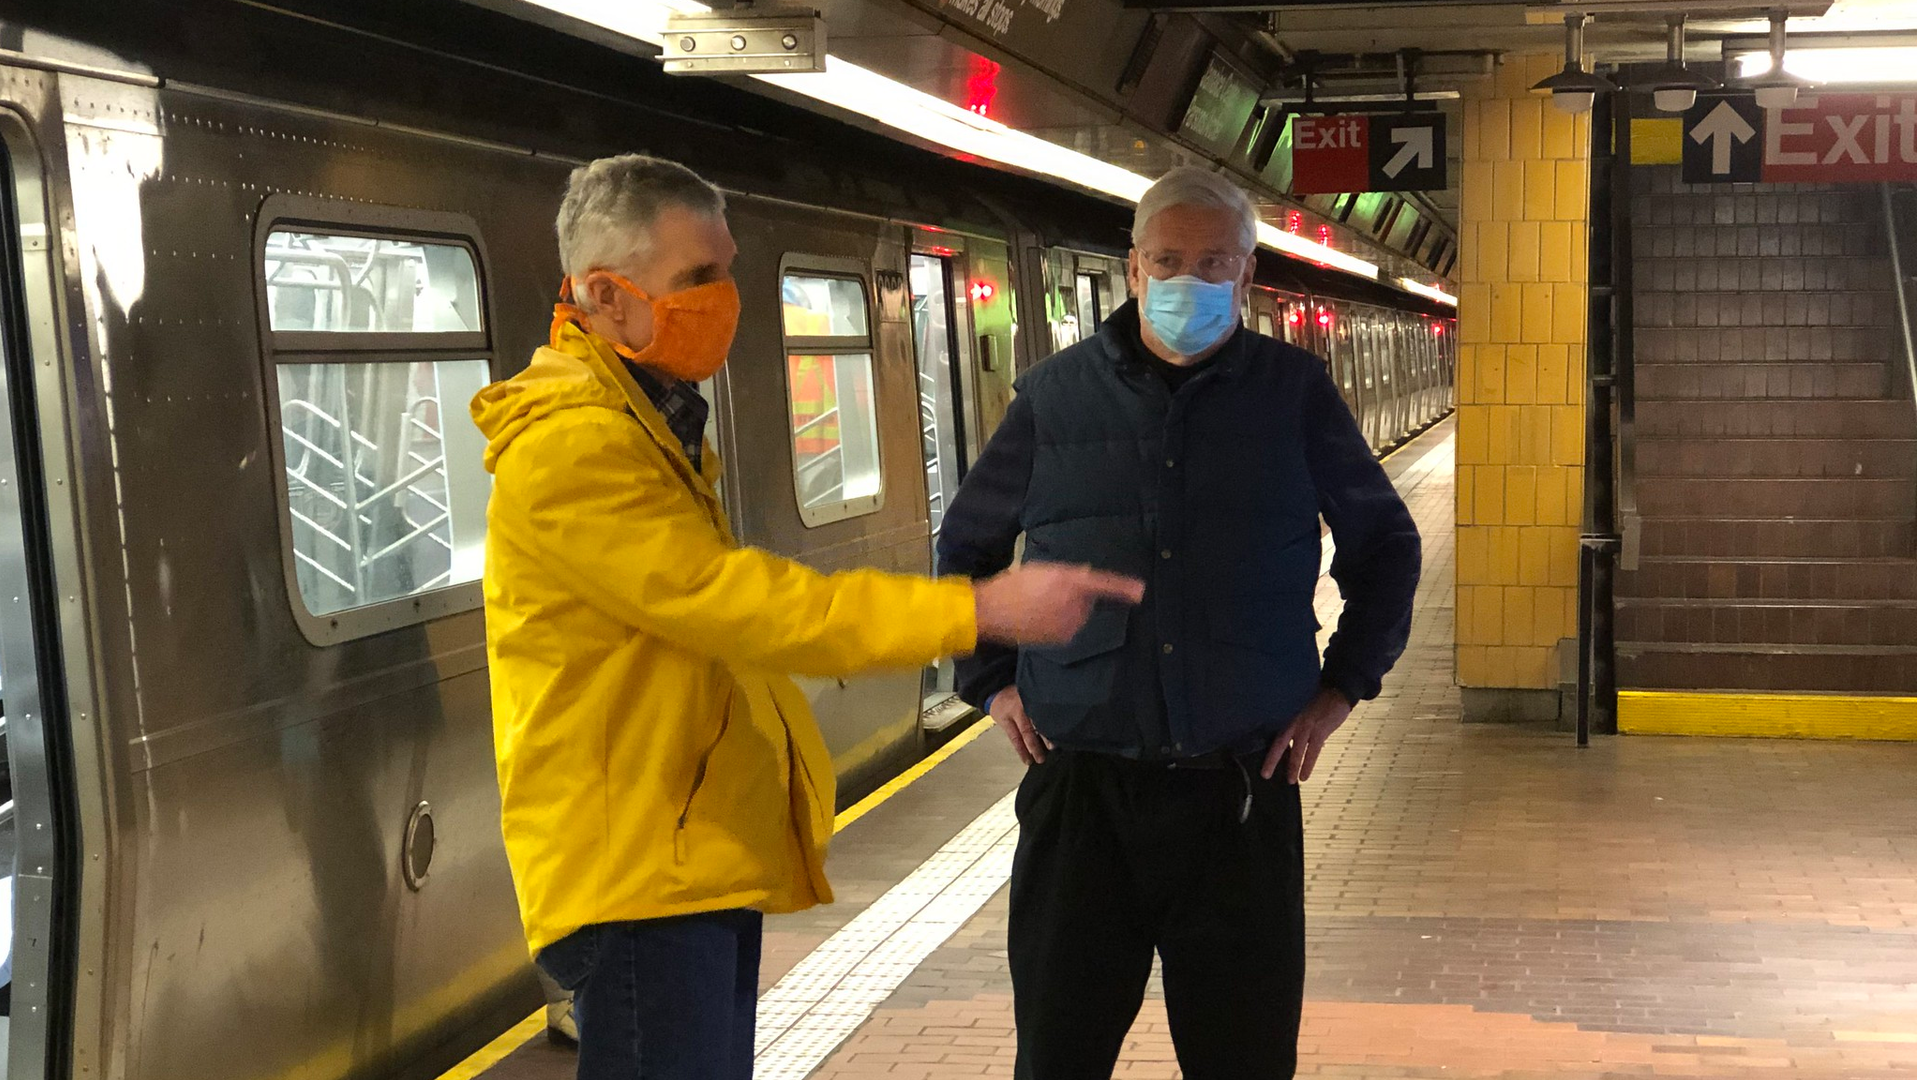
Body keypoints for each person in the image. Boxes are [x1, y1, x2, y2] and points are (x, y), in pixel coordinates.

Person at [471, 154, 1143, 1080]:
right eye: (696, 276)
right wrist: (976, 608)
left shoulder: (645, 422)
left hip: (680, 850)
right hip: (637, 869)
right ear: (604, 296)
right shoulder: (576, 448)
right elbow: (741, 607)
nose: (724, 298)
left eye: (726, 269)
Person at [936, 165, 1421, 1080]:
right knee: (1059, 1055)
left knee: (1243, 1058)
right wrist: (989, 683)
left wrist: (1341, 689)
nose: (1185, 282)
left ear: (1245, 275)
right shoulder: (1052, 398)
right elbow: (965, 549)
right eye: (1165, 261)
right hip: (1081, 791)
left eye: (1212, 263)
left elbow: (1386, 545)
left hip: (1239, 790)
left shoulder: (1293, 394)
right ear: (1131, 268)